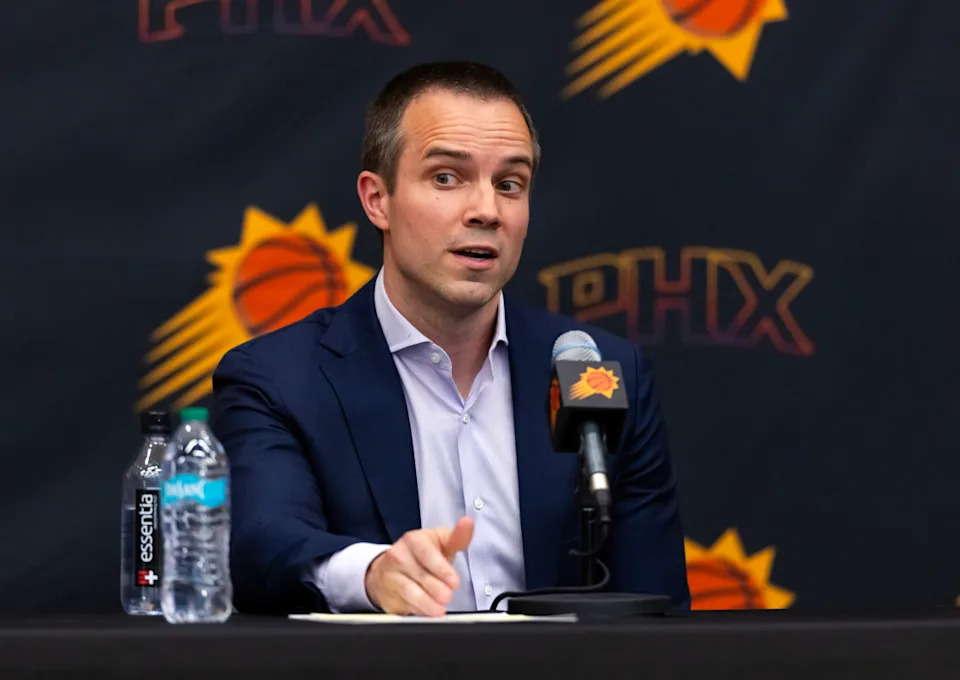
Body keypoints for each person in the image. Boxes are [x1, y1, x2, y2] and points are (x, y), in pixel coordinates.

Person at [212, 61, 689, 616]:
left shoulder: (601, 371)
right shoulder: (279, 378)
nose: (486, 210)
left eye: (510, 184)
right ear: (377, 200)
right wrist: (371, 573)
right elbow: (260, 544)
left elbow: (657, 610)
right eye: (447, 178)